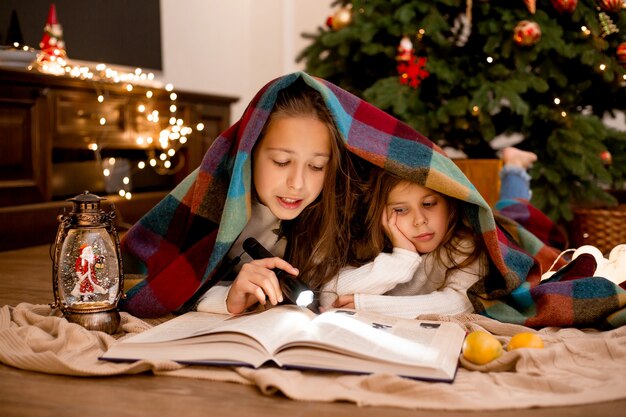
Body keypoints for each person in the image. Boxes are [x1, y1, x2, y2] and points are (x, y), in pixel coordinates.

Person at [318, 147, 538, 318]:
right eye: (401, 210)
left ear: (449, 203)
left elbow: (462, 302)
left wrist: (368, 306)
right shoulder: (372, 241)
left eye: (429, 203)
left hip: (507, 229)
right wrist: (402, 259)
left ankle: (515, 167)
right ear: (381, 214)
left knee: (514, 210)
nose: (419, 220)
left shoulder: (466, 243)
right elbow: (330, 294)